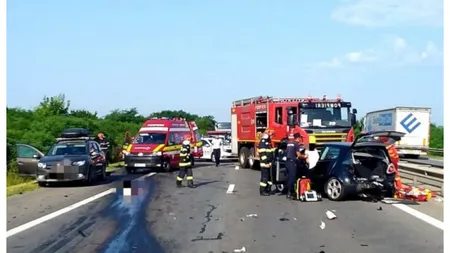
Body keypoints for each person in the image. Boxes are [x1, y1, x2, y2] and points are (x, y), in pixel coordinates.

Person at [257, 130, 275, 196]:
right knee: (264, 178)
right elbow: (262, 154)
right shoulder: (263, 142)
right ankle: (262, 191)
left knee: (269, 178)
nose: (272, 136)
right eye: (271, 135)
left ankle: (268, 189)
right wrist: (266, 163)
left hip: (269, 163)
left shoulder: (267, 142)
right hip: (265, 164)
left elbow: (270, 151)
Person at [285, 133, 302, 199]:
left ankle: (288, 190)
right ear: (298, 138)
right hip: (292, 162)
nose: (300, 139)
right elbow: (298, 155)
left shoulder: (289, 143)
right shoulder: (296, 144)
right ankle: (290, 192)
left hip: (287, 162)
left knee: (289, 177)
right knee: (292, 178)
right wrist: (304, 156)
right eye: (300, 138)